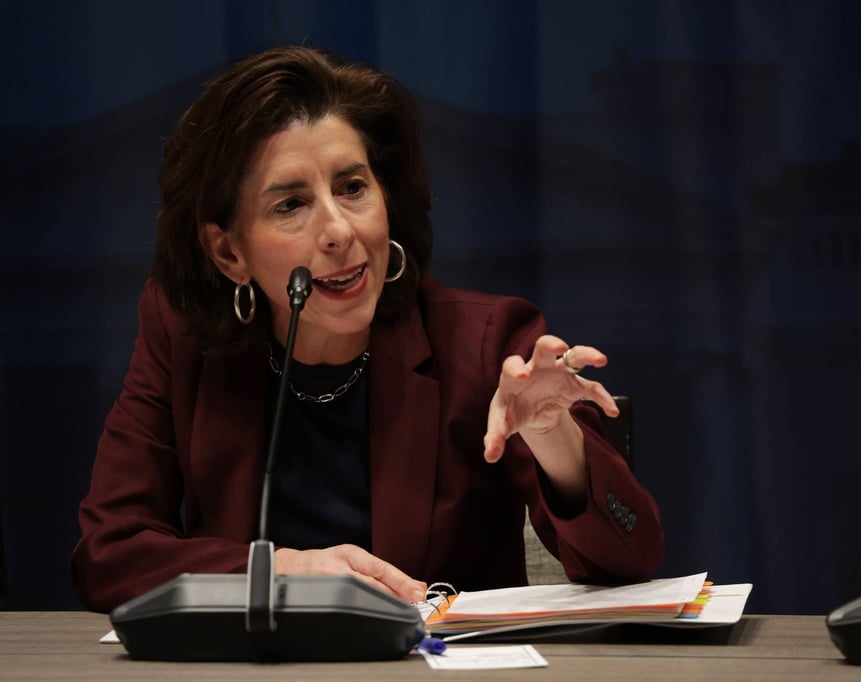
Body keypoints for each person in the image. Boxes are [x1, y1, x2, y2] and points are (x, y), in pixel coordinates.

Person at [71, 45, 664, 612]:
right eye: (290, 205)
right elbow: (109, 556)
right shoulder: (187, 339)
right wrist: (277, 570)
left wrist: (551, 435)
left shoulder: (485, 343)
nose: (337, 231)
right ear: (229, 254)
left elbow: (630, 562)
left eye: (353, 188)